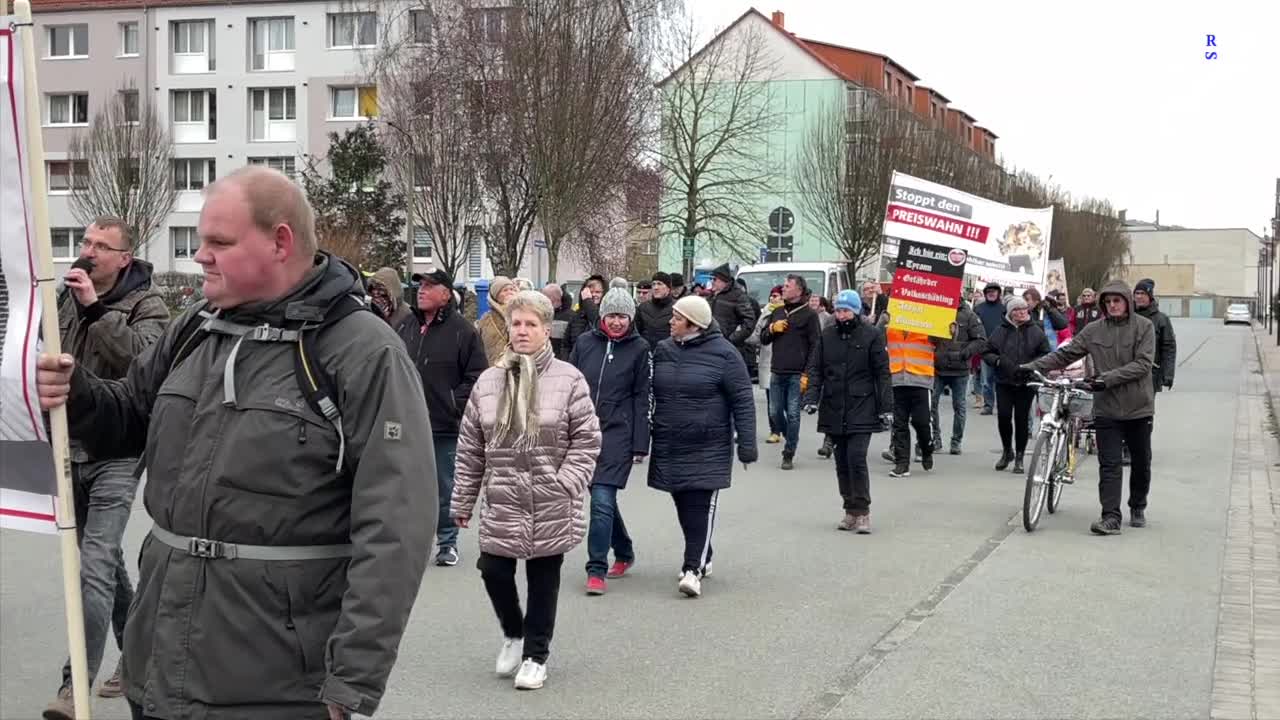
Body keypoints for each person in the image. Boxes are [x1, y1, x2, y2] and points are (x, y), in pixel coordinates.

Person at [35, 166, 434, 720]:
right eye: (201, 241)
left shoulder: (362, 352)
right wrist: (74, 390)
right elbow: (125, 415)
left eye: (218, 242)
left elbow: (396, 527)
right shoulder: (194, 327)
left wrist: (350, 685)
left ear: (281, 242)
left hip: (278, 687)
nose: (200, 256)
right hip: (159, 667)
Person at [42, 218, 169, 715]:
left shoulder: (147, 305)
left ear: (124, 258)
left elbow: (145, 363)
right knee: (108, 570)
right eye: (85, 242)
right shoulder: (64, 299)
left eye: (101, 245)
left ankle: (76, 686)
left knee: (93, 564)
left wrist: (96, 309)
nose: (88, 252)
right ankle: (138, 664)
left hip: (120, 450)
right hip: (69, 448)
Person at [451, 290, 601, 690]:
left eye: (530, 324)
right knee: (493, 570)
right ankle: (513, 633)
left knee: (542, 579)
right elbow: (470, 446)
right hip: (503, 497)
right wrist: (463, 499)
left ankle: (536, 656)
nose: (521, 331)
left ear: (546, 330)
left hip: (549, 499)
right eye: (516, 323)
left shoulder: (569, 379)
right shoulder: (489, 381)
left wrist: (565, 482)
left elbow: (587, 440)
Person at [1022, 280, 1155, 535]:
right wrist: (1034, 366)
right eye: (1108, 301)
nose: (1112, 305)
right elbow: (1066, 353)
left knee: (1141, 462)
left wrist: (1107, 379)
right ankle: (1111, 517)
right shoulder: (1094, 330)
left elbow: (1143, 364)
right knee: (1109, 464)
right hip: (1107, 408)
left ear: (1127, 301)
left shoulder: (1144, 327)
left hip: (1139, 406)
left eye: (1117, 301)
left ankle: (1137, 505)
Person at [648, 296, 757, 597]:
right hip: (670, 442)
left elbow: (743, 401)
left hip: (708, 444)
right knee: (683, 505)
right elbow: (651, 395)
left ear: (693, 324)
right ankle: (704, 553)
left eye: (677, 317)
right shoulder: (663, 351)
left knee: (699, 506)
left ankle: (692, 568)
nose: (671, 321)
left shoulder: (725, 355)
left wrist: (747, 445)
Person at [397, 268, 487, 568]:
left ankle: (447, 542)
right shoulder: (405, 325)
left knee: (444, 486)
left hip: (443, 425)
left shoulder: (463, 331)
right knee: (407, 487)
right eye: (419, 285)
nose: (421, 290)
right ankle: (411, 543)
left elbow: (477, 376)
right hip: (406, 424)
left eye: (429, 285)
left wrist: (452, 403)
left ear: (446, 294)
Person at [569, 285, 651, 596]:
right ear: (603, 316)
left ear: (630, 318)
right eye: (612, 315)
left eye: (623, 316)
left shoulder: (640, 349)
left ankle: (596, 569)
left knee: (602, 500)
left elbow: (643, 396)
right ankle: (625, 550)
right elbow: (570, 384)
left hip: (618, 433)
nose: (617, 322)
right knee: (602, 500)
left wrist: (640, 441)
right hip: (582, 431)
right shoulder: (584, 343)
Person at [802, 290, 890, 533]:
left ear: (856, 311)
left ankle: (863, 512)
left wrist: (886, 408)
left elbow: (882, 373)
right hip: (834, 405)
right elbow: (816, 369)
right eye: (838, 310)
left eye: (846, 311)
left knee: (856, 458)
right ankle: (849, 508)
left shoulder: (871, 335)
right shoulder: (827, 335)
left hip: (862, 405)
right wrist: (811, 397)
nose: (841, 315)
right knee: (841, 461)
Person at [759, 274, 821, 470]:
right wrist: (771, 328)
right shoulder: (778, 312)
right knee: (775, 411)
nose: (783, 289)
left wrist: (808, 373)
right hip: (777, 370)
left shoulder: (809, 315)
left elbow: (816, 345)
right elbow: (763, 338)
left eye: (787, 286)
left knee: (793, 413)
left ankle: (789, 452)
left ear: (799, 290)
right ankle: (789, 435)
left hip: (797, 373)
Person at [982, 296, 1050, 473]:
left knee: (1021, 419)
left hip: (1026, 382)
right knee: (1004, 416)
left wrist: (1032, 366)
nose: (1021, 312)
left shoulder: (1036, 331)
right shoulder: (1000, 330)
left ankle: (1020, 456)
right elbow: (987, 352)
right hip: (1004, 381)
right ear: (1010, 313)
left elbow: (1045, 354)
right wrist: (998, 361)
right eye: (1017, 310)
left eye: (1024, 309)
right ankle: (1007, 451)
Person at [930, 297, 987, 455]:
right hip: (937, 367)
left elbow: (981, 340)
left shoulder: (969, 315)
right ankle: (935, 439)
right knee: (931, 404)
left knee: (959, 406)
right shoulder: (936, 311)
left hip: (960, 369)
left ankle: (956, 442)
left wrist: (965, 353)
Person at [882, 317, 937, 477]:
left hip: (921, 379)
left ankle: (926, 449)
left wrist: (952, 329)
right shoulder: (891, 321)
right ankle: (902, 463)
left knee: (922, 422)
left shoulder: (927, 320)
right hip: (897, 378)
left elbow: (944, 340)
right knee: (899, 424)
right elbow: (878, 336)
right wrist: (881, 321)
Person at [747, 286, 784, 442]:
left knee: (787, 402)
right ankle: (775, 430)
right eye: (771, 295)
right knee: (772, 400)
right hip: (768, 360)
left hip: (786, 361)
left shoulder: (789, 312)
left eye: (776, 296)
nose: (772, 299)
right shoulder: (766, 312)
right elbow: (756, 335)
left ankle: (787, 429)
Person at [1133, 278, 1176, 393]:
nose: (1139, 296)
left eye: (1143, 293)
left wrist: (1168, 374)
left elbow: (1169, 348)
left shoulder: (1161, 319)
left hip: (1151, 374)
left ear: (1150, 296)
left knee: (1144, 410)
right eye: (1137, 293)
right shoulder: (1127, 317)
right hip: (1128, 373)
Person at [706, 263, 756, 357]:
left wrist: (732, 339)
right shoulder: (711, 296)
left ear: (723, 280)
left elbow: (749, 322)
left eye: (714, 279)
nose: (712, 282)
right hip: (710, 345)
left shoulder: (738, 296)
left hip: (730, 348)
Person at [972, 282, 1006, 415]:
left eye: (994, 291)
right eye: (989, 291)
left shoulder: (1005, 309)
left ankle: (1002, 405)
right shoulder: (978, 309)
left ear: (998, 293)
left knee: (1001, 381)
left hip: (1003, 350)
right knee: (987, 380)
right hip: (985, 350)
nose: (991, 293)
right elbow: (973, 327)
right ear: (985, 293)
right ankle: (988, 405)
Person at [478, 275, 519, 365]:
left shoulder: (522, 314)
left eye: (512, 289)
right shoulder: (485, 320)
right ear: (496, 295)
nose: (510, 292)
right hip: (493, 367)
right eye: (505, 290)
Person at [567, 274, 606, 352]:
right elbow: (566, 344)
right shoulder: (577, 315)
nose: (594, 295)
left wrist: (588, 301)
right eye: (591, 292)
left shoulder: (607, 315)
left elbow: (599, 323)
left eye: (598, 292)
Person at [635, 271, 675, 349]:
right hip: (646, 352)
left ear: (668, 288)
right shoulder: (643, 308)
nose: (656, 287)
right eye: (653, 284)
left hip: (668, 353)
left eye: (659, 284)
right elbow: (636, 333)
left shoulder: (677, 308)